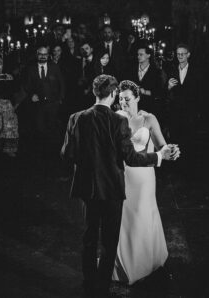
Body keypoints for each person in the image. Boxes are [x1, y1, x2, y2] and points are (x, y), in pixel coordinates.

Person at [60, 75, 180, 297]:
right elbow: (131, 158)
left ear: (94, 92)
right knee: (109, 240)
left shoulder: (75, 118)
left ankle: (89, 284)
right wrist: (159, 157)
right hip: (114, 186)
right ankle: (102, 287)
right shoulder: (117, 121)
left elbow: (67, 155)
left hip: (88, 188)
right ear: (114, 94)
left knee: (88, 237)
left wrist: (90, 165)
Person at [112, 80, 170, 285]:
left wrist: (169, 151)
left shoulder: (149, 118)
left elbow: (162, 145)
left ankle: (146, 259)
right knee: (125, 216)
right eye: (120, 99)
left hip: (144, 176)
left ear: (137, 97)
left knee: (143, 213)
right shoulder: (116, 118)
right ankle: (126, 261)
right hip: (124, 174)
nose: (123, 103)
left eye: (127, 99)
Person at [165, 43, 203, 141]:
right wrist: (168, 87)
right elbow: (164, 91)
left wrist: (198, 111)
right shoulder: (172, 70)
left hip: (190, 112)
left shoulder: (196, 71)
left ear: (188, 55)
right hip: (175, 111)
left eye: (183, 54)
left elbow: (200, 92)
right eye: (178, 54)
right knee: (175, 138)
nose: (180, 56)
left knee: (189, 139)